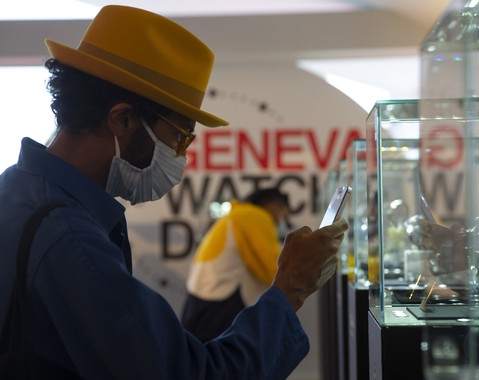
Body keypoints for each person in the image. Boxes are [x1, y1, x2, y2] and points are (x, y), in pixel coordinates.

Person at [0, 5, 348, 379]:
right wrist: (292, 286)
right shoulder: (68, 237)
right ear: (124, 119)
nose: (181, 157)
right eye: (179, 138)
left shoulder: (18, 189)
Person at [181, 187, 291, 342]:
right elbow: (274, 267)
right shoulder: (255, 215)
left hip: (205, 297)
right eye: (282, 217)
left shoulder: (237, 215)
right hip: (220, 301)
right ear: (273, 206)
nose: (280, 223)